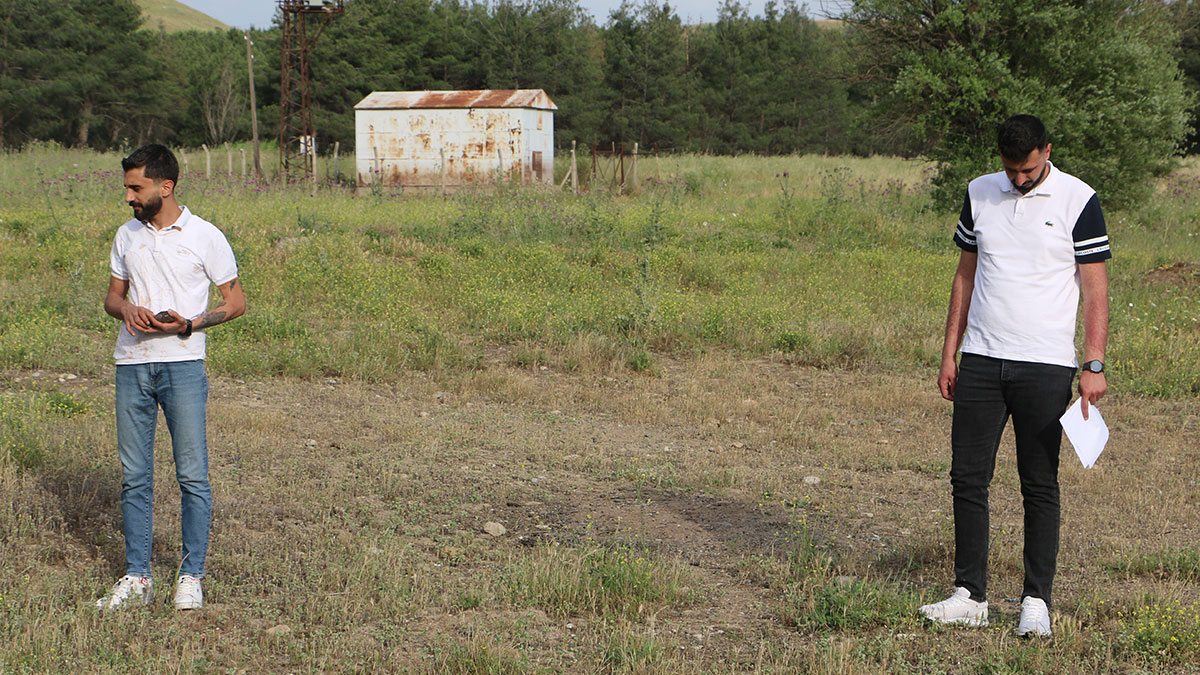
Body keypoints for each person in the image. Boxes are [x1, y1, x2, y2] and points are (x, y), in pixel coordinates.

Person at [918, 115, 1110, 637]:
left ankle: (1036, 601)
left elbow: (1095, 288)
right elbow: (965, 275)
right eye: (1010, 170)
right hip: (980, 358)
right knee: (967, 477)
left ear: (1047, 150)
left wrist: (1092, 363)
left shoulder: (1079, 199)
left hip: (1047, 366)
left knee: (1039, 484)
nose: (1019, 180)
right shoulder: (980, 192)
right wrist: (949, 352)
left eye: (1027, 169)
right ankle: (970, 594)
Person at [97, 144, 246, 611]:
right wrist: (127, 309)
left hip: (182, 366)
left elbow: (236, 302)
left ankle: (191, 576)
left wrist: (188, 324)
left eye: (136, 187)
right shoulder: (126, 235)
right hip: (131, 365)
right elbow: (111, 299)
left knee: (193, 476)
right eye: (127, 187)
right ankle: (138, 577)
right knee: (135, 477)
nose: (128, 197)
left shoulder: (205, 236)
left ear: (166, 186)